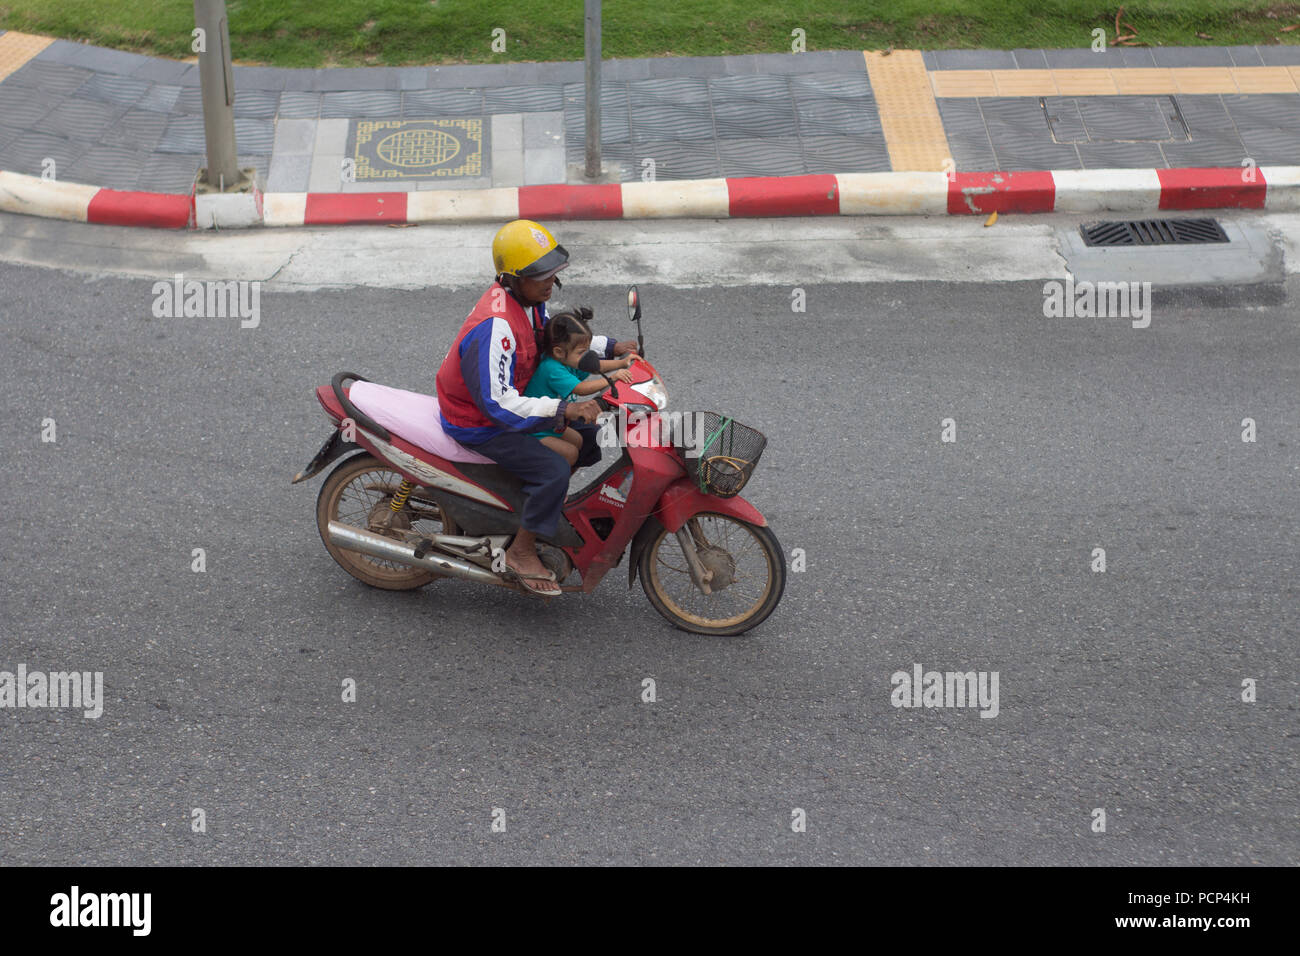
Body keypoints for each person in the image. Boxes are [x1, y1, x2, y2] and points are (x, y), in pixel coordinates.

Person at [435, 219, 639, 596]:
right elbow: (496, 405)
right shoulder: (496, 325)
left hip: (510, 404)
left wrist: (611, 349)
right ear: (512, 278)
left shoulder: (529, 304)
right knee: (552, 469)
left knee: (591, 440)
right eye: (540, 275)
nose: (550, 282)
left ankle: (532, 508)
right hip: (479, 422)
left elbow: (559, 340)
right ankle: (522, 550)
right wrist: (561, 411)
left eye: (553, 273)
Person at [523, 308, 637, 466]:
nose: (586, 356)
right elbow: (581, 388)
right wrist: (612, 379)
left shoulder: (568, 361)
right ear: (559, 352)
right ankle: (556, 489)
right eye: (582, 352)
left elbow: (596, 366)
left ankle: (562, 486)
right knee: (570, 454)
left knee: (579, 441)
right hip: (534, 428)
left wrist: (621, 363)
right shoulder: (551, 368)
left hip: (552, 423)